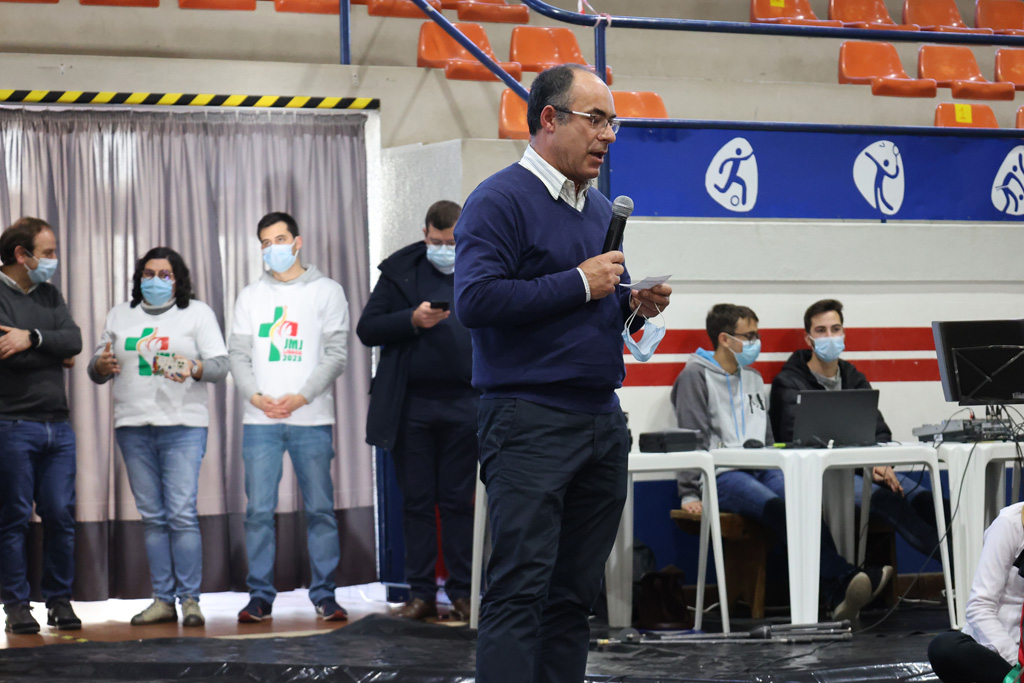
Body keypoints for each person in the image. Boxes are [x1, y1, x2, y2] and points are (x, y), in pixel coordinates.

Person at [454, 64, 672, 683]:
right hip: (529, 420)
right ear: (549, 119)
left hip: (599, 420)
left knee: (574, 596)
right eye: (595, 119)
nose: (608, 135)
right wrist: (579, 282)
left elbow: (591, 306)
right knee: (519, 589)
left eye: (613, 122)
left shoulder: (599, 208)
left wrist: (633, 306)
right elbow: (475, 301)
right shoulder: (498, 200)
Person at [673, 303, 892, 622]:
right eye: (749, 336)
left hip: (763, 467)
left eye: (756, 334)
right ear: (724, 339)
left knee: (804, 501)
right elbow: (690, 438)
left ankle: (835, 591)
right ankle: (844, 578)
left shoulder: (752, 377)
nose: (756, 342)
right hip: (721, 474)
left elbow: (766, 436)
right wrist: (689, 492)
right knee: (779, 508)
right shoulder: (694, 376)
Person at [88, 247, 228, 627]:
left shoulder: (197, 313)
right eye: (148, 274)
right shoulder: (120, 314)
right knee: (152, 517)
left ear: (178, 280)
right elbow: (97, 367)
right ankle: (163, 600)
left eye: (165, 275)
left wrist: (194, 367)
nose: (155, 280)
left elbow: (220, 366)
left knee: (181, 514)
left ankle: (191, 600)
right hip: (132, 426)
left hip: (183, 426)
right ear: (139, 278)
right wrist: (100, 364)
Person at [356, 200, 478, 622]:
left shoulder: (482, 264)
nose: (444, 249)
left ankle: (463, 594)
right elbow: (367, 328)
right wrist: (411, 318)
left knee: (459, 503)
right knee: (418, 503)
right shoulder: (400, 270)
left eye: (452, 242)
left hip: (466, 403)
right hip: (411, 406)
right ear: (424, 235)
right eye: (436, 241)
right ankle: (421, 594)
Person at [228, 211, 350, 623]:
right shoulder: (250, 296)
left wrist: (300, 398)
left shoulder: (327, 292)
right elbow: (238, 355)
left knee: (320, 510)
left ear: (297, 242)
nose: (273, 248)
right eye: (265, 243)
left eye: (280, 240)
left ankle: (325, 594)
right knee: (258, 513)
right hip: (259, 420)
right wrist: (257, 397)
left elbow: (336, 355)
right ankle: (260, 596)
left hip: (311, 418)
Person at [769, 298, 944, 559]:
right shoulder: (789, 382)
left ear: (843, 332)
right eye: (821, 330)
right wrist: (867, 466)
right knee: (891, 504)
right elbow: (799, 441)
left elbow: (879, 430)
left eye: (835, 329)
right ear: (808, 339)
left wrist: (881, 464)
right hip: (823, 479)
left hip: (868, 470)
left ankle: (975, 564)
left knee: (927, 501)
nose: (830, 336)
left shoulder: (853, 377)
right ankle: (958, 564)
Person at [0, 217, 83, 634]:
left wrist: (31, 338)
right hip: (12, 424)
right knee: (13, 518)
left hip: (58, 426)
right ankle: (16, 605)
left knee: (61, 516)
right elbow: (7, 355)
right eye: (47, 253)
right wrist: (53, 349)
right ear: (21, 255)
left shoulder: (50, 293)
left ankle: (59, 600)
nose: (53, 260)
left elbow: (74, 342)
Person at [928, 502, 1024, 683]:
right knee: (944, 647)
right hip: (1001, 654)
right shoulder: (1010, 524)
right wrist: (1016, 664)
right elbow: (979, 607)